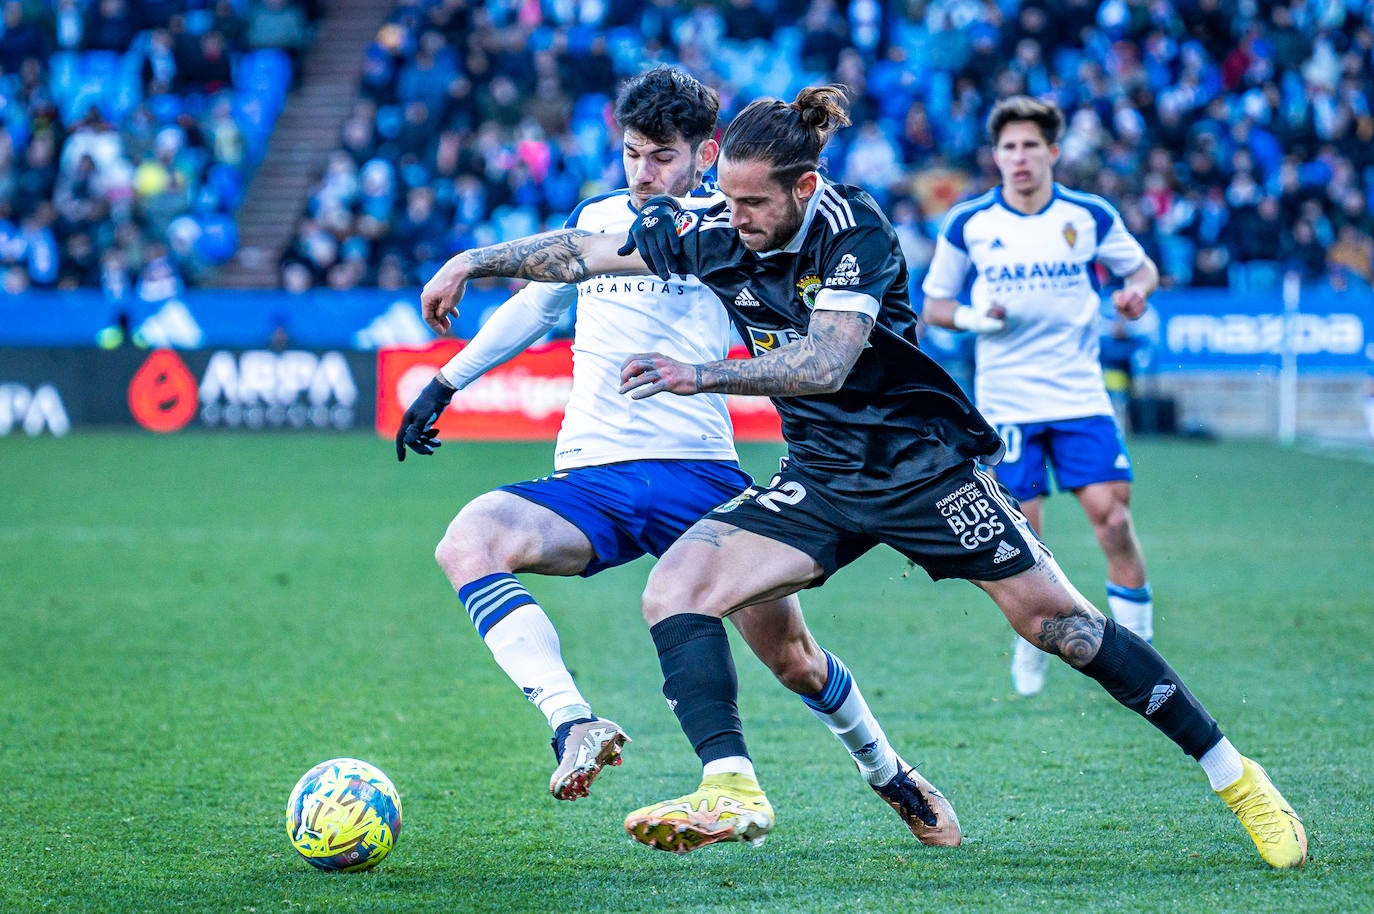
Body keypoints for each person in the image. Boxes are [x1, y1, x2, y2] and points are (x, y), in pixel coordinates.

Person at [404, 84, 1308, 870]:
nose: (734, 218)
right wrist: (469, 262)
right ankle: (731, 789)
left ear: (804, 187)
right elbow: (583, 255)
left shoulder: (856, 227)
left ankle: (1238, 779)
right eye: (724, 200)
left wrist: (703, 374)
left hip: (922, 470)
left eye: (753, 203)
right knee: (676, 590)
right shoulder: (718, 226)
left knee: (1060, 627)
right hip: (823, 478)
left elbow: (826, 362)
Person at [395, 66, 959, 846]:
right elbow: (541, 301)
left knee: (794, 659)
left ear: (706, 152)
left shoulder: (732, 228)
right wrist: (447, 380)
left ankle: (886, 770)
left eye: (661, 156)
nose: (643, 173)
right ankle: (574, 724)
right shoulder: (596, 217)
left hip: (700, 473)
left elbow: (811, 321)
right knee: (469, 539)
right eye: (631, 154)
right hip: (592, 475)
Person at [921, 95, 1161, 698]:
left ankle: (1143, 654)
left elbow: (1143, 271)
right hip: (1006, 405)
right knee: (1023, 540)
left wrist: (1135, 295)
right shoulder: (970, 222)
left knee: (1113, 521)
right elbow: (936, 306)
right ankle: (1034, 647)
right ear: (995, 156)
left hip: (1080, 396)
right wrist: (978, 319)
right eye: (1009, 147)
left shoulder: (1089, 215)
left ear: (1052, 151)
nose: (1020, 157)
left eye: (1031, 145)